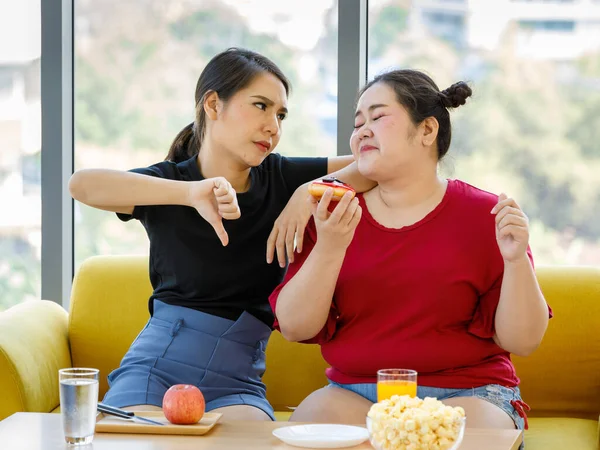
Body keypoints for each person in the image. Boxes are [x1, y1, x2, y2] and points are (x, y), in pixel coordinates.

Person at [69, 48, 375, 421]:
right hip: (153, 370)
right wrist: (189, 195)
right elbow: (82, 184)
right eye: (260, 106)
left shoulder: (282, 178)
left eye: (280, 115)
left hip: (237, 384)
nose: (273, 127)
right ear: (213, 104)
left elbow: (374, 166)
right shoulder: (170, 183)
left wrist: (304, 194)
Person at [269, 69, 552, 438]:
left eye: (378, 116)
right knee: (312, 417)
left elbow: (523, 341)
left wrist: (515, 262)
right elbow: (294, 326)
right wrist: (330, 247)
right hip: (356, 394)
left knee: (468, 433)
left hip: (470, 394)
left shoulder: (488, 216)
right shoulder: (331, 216)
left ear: (427, 130)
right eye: (358, 123)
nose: (362, 131)